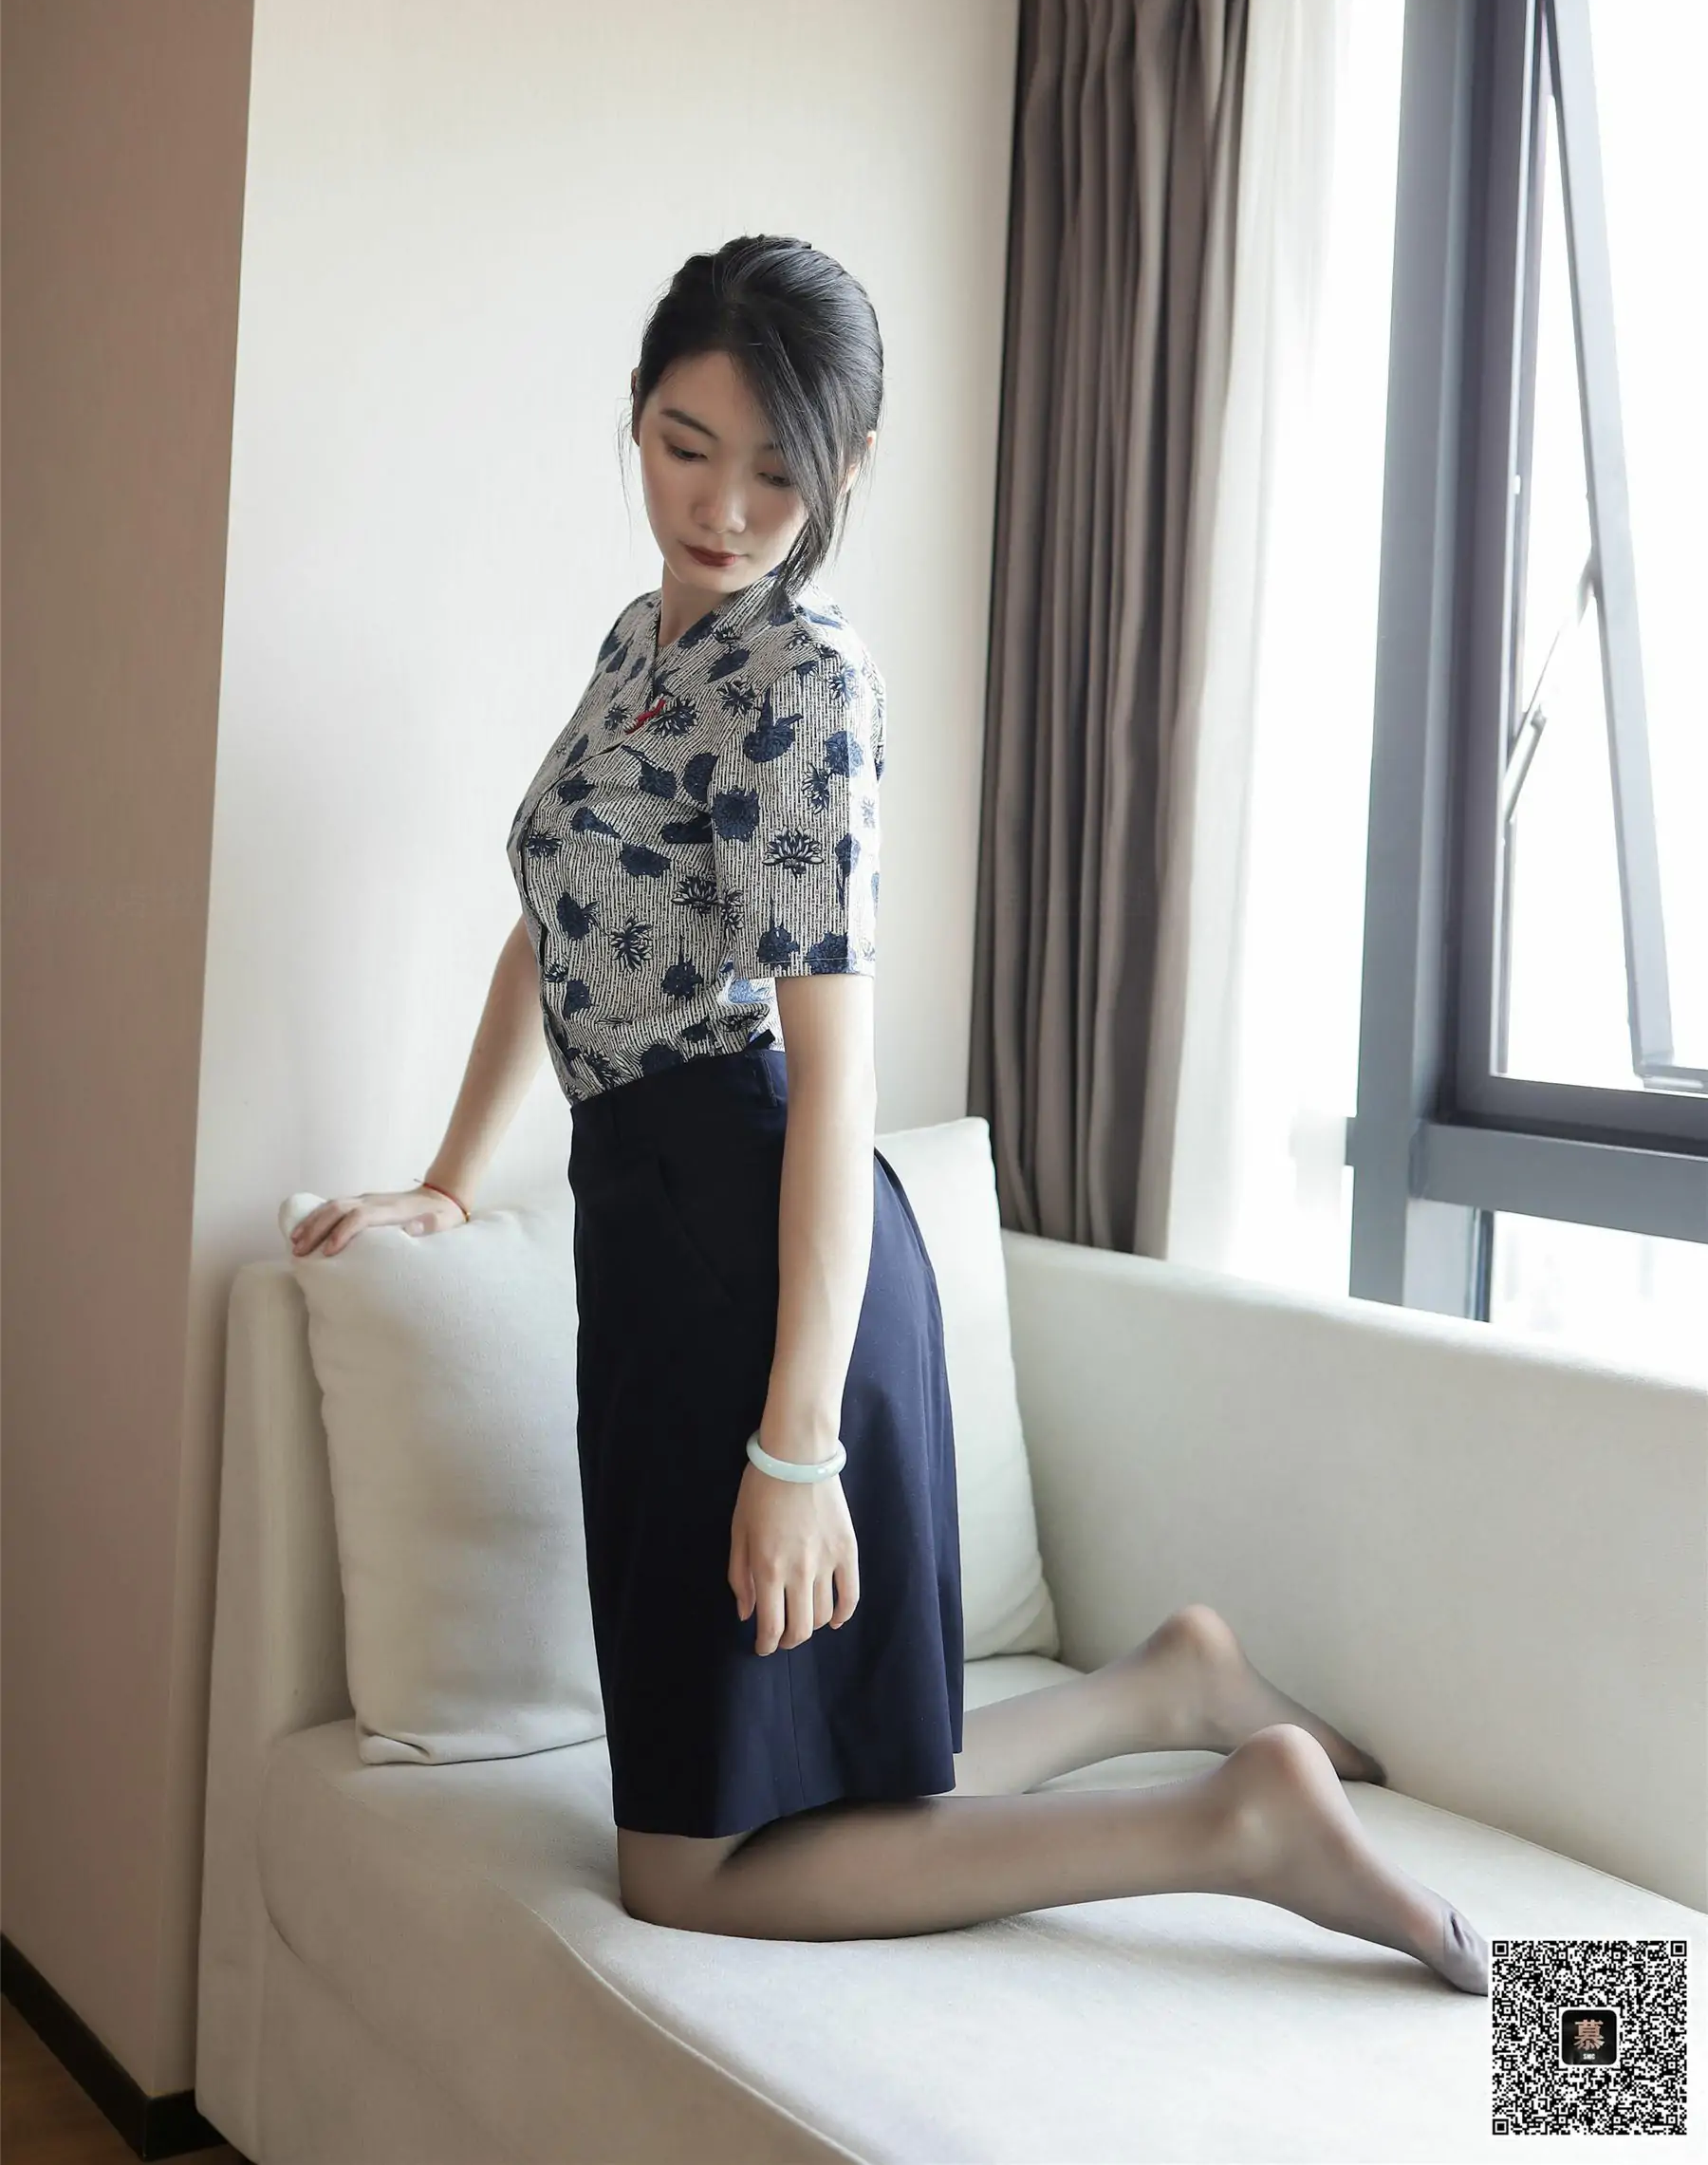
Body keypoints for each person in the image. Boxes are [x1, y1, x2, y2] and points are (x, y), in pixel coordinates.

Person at [288, 234, 1490, 1994]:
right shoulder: (642, 642)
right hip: (657, 1245)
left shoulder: (804, 684)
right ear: (638, 413)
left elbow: (835, 1083)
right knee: (791, 1791)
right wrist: (451, 1184)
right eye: (687, 445)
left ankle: (1235, 1827)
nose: (724, 507)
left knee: (687, 1872)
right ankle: (1166, 1686)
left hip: (758, 1258)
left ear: (851, 466)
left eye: (780, 471)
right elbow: (553, 920)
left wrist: (797, 1451)